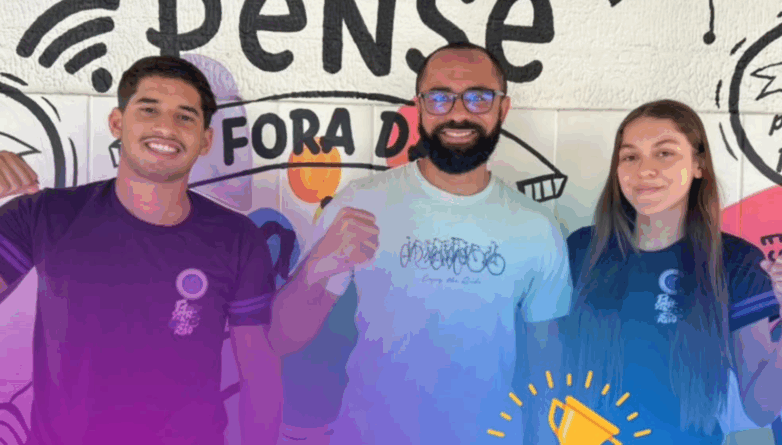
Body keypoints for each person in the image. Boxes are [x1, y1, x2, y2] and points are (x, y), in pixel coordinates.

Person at [0, 56, 376, 445]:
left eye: (185, 116)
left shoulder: (236, 238)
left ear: (205, 139)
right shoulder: (45, 213)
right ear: (117, 122)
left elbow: (260, 374)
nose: (166, 127)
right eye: (149, 110)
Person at [278, 41, 573, 445]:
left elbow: (548, 371)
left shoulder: (537, 227)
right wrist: (319, 263)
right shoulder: (360, 203)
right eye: (439, 97)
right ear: (418, 107)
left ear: (503, 108)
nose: (458, 113)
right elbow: (283, 337)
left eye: (478, 97)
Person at [548, 99, 782, 444]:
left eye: (664, 153)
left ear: (698, 165)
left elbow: (761, 409)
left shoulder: (736, 261)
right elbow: (547, 367)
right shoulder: (580, 250)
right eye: (630, 156)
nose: (645, 170)